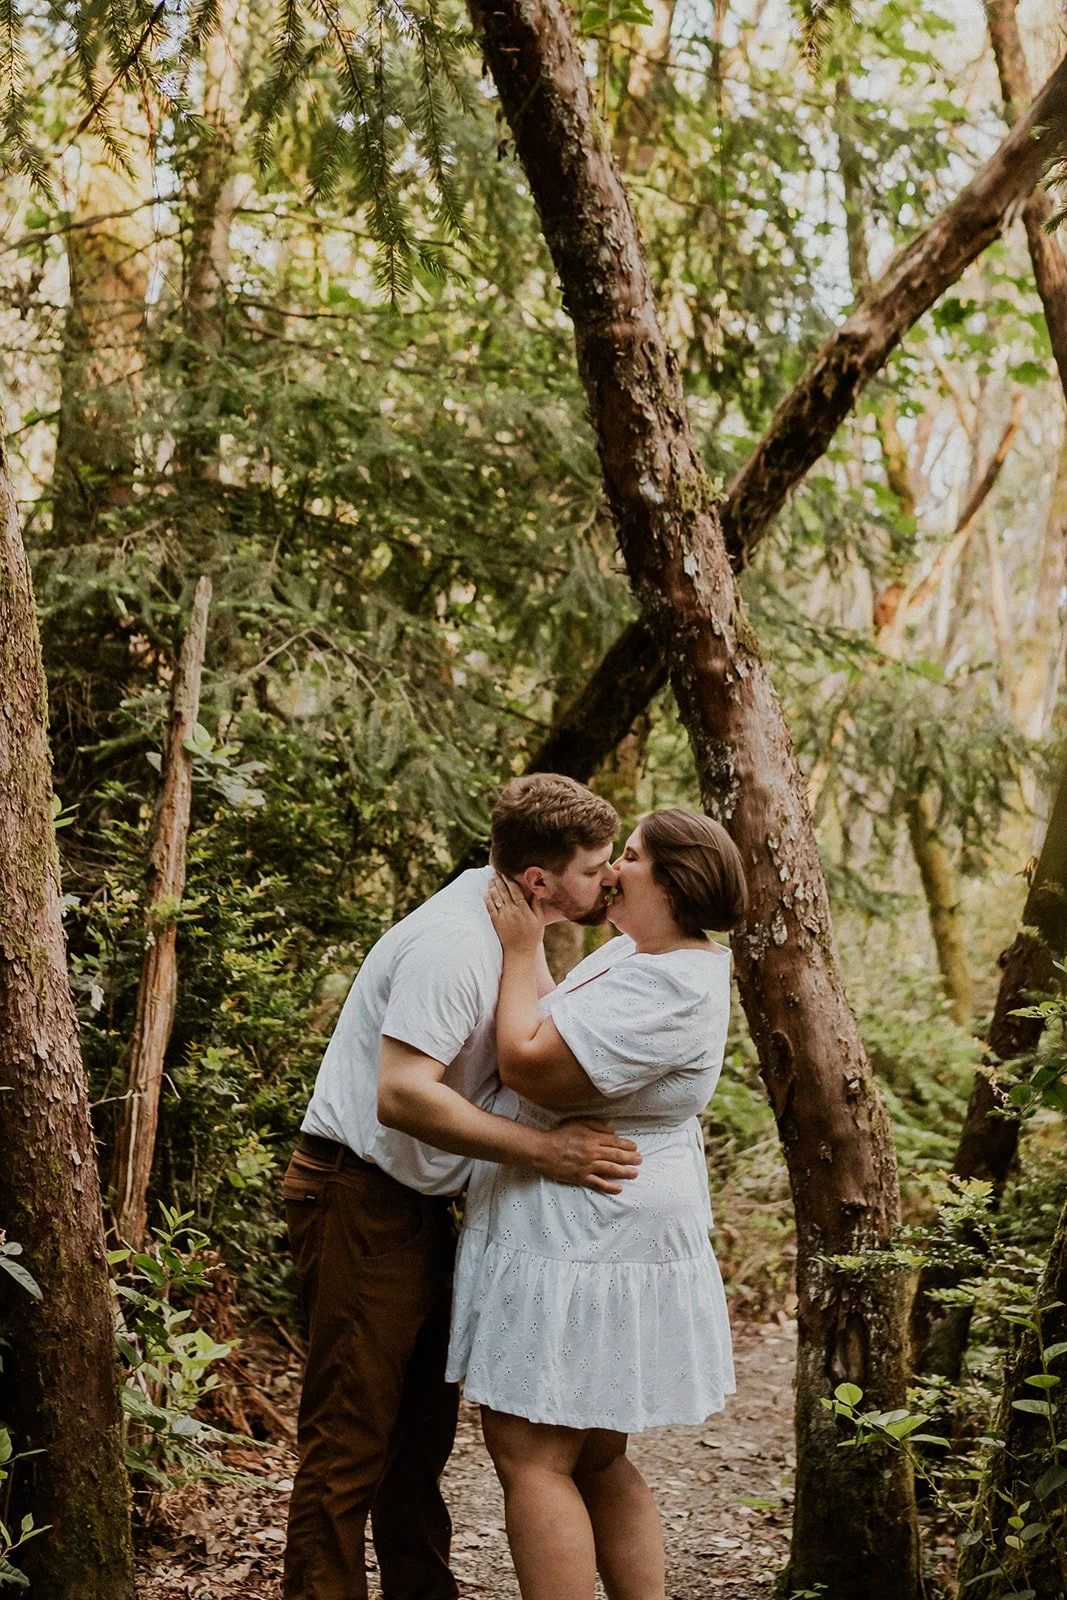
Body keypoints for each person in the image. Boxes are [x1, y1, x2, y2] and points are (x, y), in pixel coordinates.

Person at [282, 773, 644, 1600]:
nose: (609, 879)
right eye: (595, 868)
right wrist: (545, 1154)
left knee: (417, 1443)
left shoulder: (514, 932)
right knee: (349, 1441)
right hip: (356, 1195)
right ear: (539, 881)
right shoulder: (453, 944)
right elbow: (402, 1095)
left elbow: (544, 1045)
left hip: (418, 1205)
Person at [446, 808, 748, 1600]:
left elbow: (527, 1064)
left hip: (588, 1231)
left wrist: (522, 947)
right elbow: (557, 1023)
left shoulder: (666, 983)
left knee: (533, 1455)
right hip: (594, 1225)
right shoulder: (644, 957)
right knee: (593, 1456)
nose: (614, 868)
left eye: (634, 856)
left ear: (674, 886)